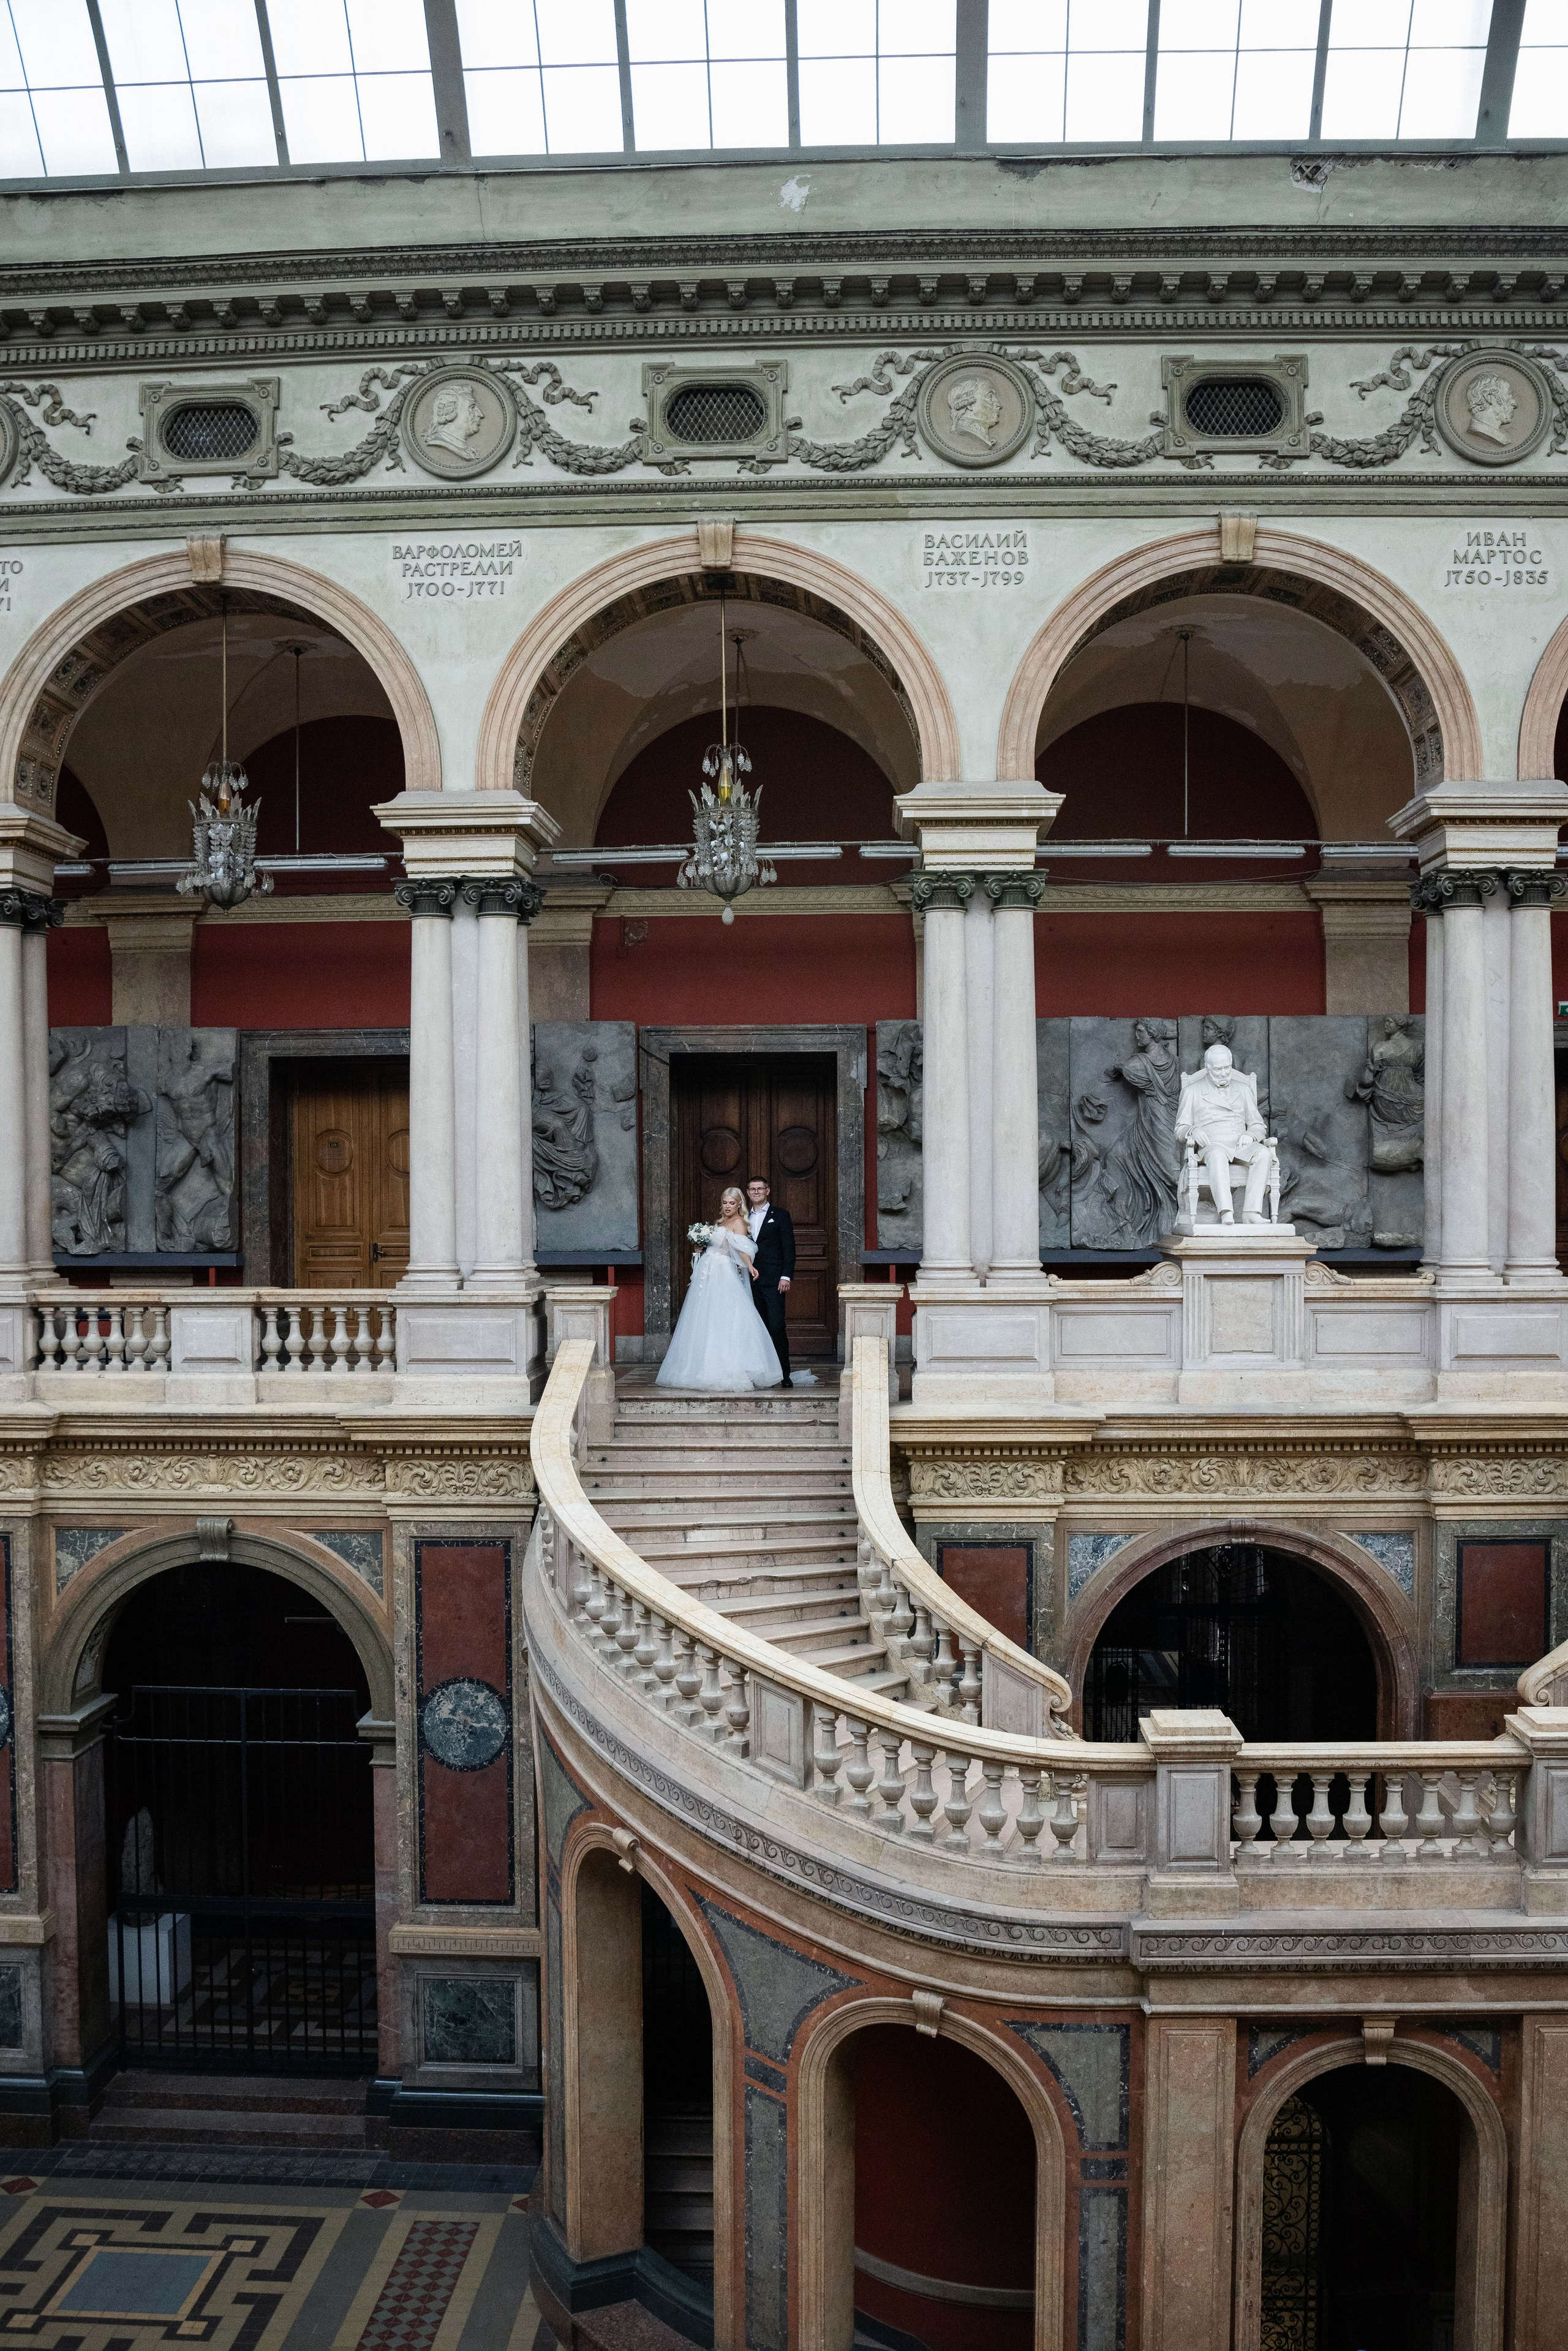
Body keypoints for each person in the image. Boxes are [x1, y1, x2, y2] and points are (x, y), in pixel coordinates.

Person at [656, 1186, 783, 1393]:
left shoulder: (740, 1223)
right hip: (707, 1272)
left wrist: (750, 1266)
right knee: (703, 1317)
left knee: (724, 1317)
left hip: (723, 1272)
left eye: (732, 1203)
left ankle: (727, 1367)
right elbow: (713, 1244)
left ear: (739, 1204)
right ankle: (699, 1368)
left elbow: (742, 1248)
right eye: (725, 1203)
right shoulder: (719, 1223)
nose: (727, 1207)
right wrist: (701, 1248)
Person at [746, 1176, 796, 1386]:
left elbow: (789, 1247)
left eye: (760, 1189)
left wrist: (786, 1275)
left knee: (776, 1326)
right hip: (748, 1281)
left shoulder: (781, 1215)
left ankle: (785, 1374)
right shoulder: (743, 1218)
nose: (756, 1192)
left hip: (774, 1280)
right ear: (748, 1193)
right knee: (757, 1330)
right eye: (752, 1189)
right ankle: (763, 1374)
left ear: (768, 1191)